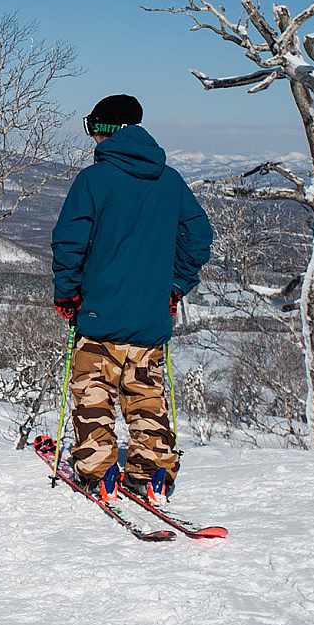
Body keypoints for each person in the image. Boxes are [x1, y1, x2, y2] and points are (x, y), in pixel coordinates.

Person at [51, 94, 213, 505]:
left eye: (93, 128)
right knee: (145, 393)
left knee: (93, 391)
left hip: (99, 311)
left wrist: (67, 293)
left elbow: (69, 241)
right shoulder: (170, 180)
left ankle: (99, 469)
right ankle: (152, 470)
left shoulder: (94, 180)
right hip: (150, 314)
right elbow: (198, 239)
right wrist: (175, 285)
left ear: (104, 130)